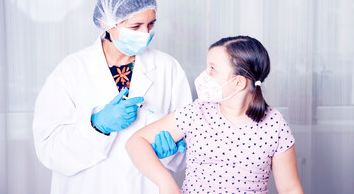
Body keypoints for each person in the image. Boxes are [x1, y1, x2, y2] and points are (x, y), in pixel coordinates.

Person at [33, 0, 192, 194]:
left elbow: (189, 140)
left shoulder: (167, 68)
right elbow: (48, 150)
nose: (146, 33)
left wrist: (173, 152)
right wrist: (98, 126)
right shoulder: (70, 71)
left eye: (151, 24)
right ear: (107, 23)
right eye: (135, 26)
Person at [126, 36, 304, 194]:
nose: (204, 74)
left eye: (212, 69)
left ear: (238, 82)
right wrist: (165, 182)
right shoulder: (197, 112)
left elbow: (290, 188)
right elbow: (136, 142)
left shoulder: (274, 124)